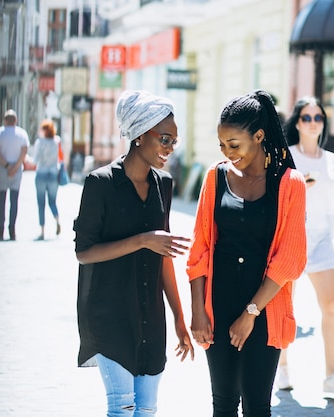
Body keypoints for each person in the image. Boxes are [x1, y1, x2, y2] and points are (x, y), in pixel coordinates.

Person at [74, 90, 194, 417]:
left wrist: (180, 319)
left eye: (174, 141)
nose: (170, 148)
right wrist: (142, 240)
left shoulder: (164, 185)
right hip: (109, 315)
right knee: (122, 409)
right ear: (140, 136)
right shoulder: (100, 183)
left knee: (147, 411)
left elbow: (164, 255)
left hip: (151, 318)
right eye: (165, 139)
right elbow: (83, 252)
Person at [187, 89, 307, 417]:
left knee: (257, 408)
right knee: (223, 405)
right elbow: (199, 249)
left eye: (234, 145)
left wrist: (251, 313)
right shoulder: (215, 177)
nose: (228, 153)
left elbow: (291, 258)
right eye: (222, 146)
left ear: (259, 136)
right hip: (218, 306)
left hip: (265, 309)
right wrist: (198, 311)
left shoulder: (290, 183)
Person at [278, 96, 334, 393]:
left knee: (330, 308)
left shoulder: (332, 160)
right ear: (298, 123)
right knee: (287, 307)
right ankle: (282, 368)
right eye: (307, 118)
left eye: (318, 118)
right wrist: (300, 185)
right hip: (293, 237)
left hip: (324, 240)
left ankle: (331, 375)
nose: (313, 123)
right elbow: (277, 198)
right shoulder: (287, 155)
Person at [0, 109, 29, 241]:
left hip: (2, 167)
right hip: (16, 168)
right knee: (14, 200)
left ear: (5, 120)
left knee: (1, 199)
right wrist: (15, 167)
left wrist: (7, 166)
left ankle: (0, 228)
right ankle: (12, 229)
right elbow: (24, 152)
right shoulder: (22, 133)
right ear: (16, 121)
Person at [32, 119, 61, 240]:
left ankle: (42, 231)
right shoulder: (56, 141)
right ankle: (57, 220)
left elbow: (35, 160)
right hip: (53, 174)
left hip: (42, 174)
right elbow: (59, 157)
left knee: (41, 203)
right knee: (52, 201)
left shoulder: (40, 142)